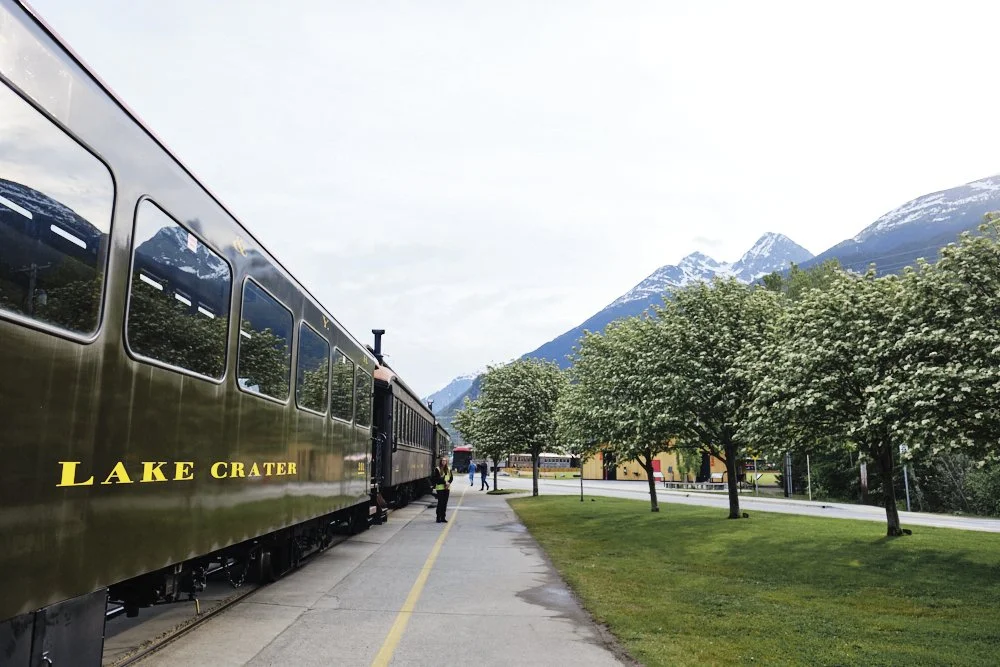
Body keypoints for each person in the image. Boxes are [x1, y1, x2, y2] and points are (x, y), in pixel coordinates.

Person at [431, 457, 453, 523]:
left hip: (447, 488)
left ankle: (443, 517)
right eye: (442, 461)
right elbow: (437, 479)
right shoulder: (437, 469)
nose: (444, 462)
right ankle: (438, 518)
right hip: (440, 488)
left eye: (445, 461)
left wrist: (448, 483)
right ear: (441, 461)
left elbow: (451, 478)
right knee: (440, 503)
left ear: (446, 462)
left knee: (444, 503)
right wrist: (445, 482)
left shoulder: (449, 469)